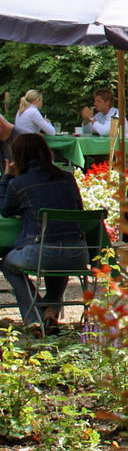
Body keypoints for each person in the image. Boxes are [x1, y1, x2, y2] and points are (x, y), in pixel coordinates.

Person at [0, 135, 86, 334]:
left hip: (41, 251)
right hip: (78, 253)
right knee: (59, 260)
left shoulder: (19, 183)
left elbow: (5, 210)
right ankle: (50, 310)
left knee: (7, 264)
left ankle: (35, 315)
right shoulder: (67, 178)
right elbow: (78, 210)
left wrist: (6, 177)